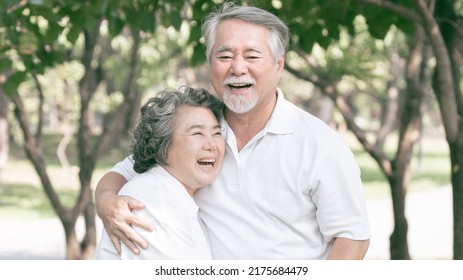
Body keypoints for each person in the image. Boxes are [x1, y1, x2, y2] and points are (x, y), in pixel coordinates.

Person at [95, 3, 371, 260]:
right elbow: (125, 173)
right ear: (210, 63)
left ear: (279, 64)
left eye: (252, 56)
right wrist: (107, 203)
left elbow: (352, 237)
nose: (238, 68)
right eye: (224, 56)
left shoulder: (320, 144)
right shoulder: (197, 128)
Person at [95, 86, 225, 259]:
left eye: (216, 133)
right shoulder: (149, 203)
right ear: (163, 146)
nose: (211, 145)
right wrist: (105, 199)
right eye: (197, 133)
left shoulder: (176, 194)